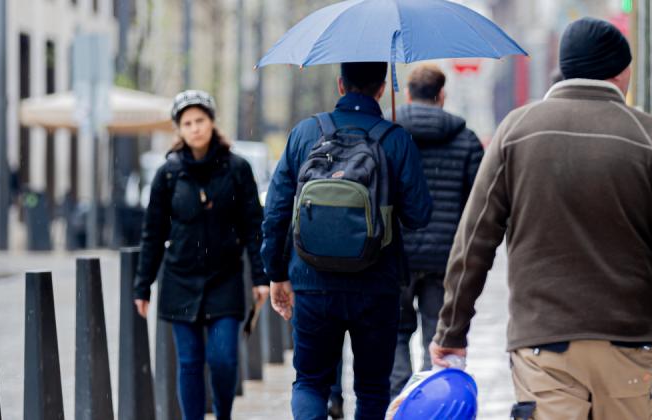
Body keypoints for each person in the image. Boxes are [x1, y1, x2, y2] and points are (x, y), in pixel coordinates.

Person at [429, 18, 652, 419]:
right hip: (629, 344)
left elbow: (473, 242)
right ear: (620, 71)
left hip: (543, 344)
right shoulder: (651, 137)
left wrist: (452, 332)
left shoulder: (515, 131)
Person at [262, 61, 432, 420]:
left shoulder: (306, 132)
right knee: (372, 387)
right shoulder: (395, 138)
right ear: (382, 89)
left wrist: (276, 273)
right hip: (376, 284)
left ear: (341, 85)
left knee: (310, 382)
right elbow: (419, 216)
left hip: (311, 281)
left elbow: (276, 210)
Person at [134, 90, 269, 420]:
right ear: (179, 129)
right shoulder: (168, 174)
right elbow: (153, 232)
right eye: (187, 123)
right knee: (190, 362)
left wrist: (261, 278)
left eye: (200, 120)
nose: (195, 128)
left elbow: (253, 226)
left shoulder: (237, 169)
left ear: (212, 123)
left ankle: (223, 413)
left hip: (225, 277)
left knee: (224, 359)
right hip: (180, 277)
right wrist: (143, 285)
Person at [389, 64, 483, 398]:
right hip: (446, 258)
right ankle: (433, 403)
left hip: (396, 255)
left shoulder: (388, 136)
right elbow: (479, 204)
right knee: (438, 335)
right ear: (442, 95)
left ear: (408, 95)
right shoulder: (467, 140)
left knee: (395, 332)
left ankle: (399, 401)